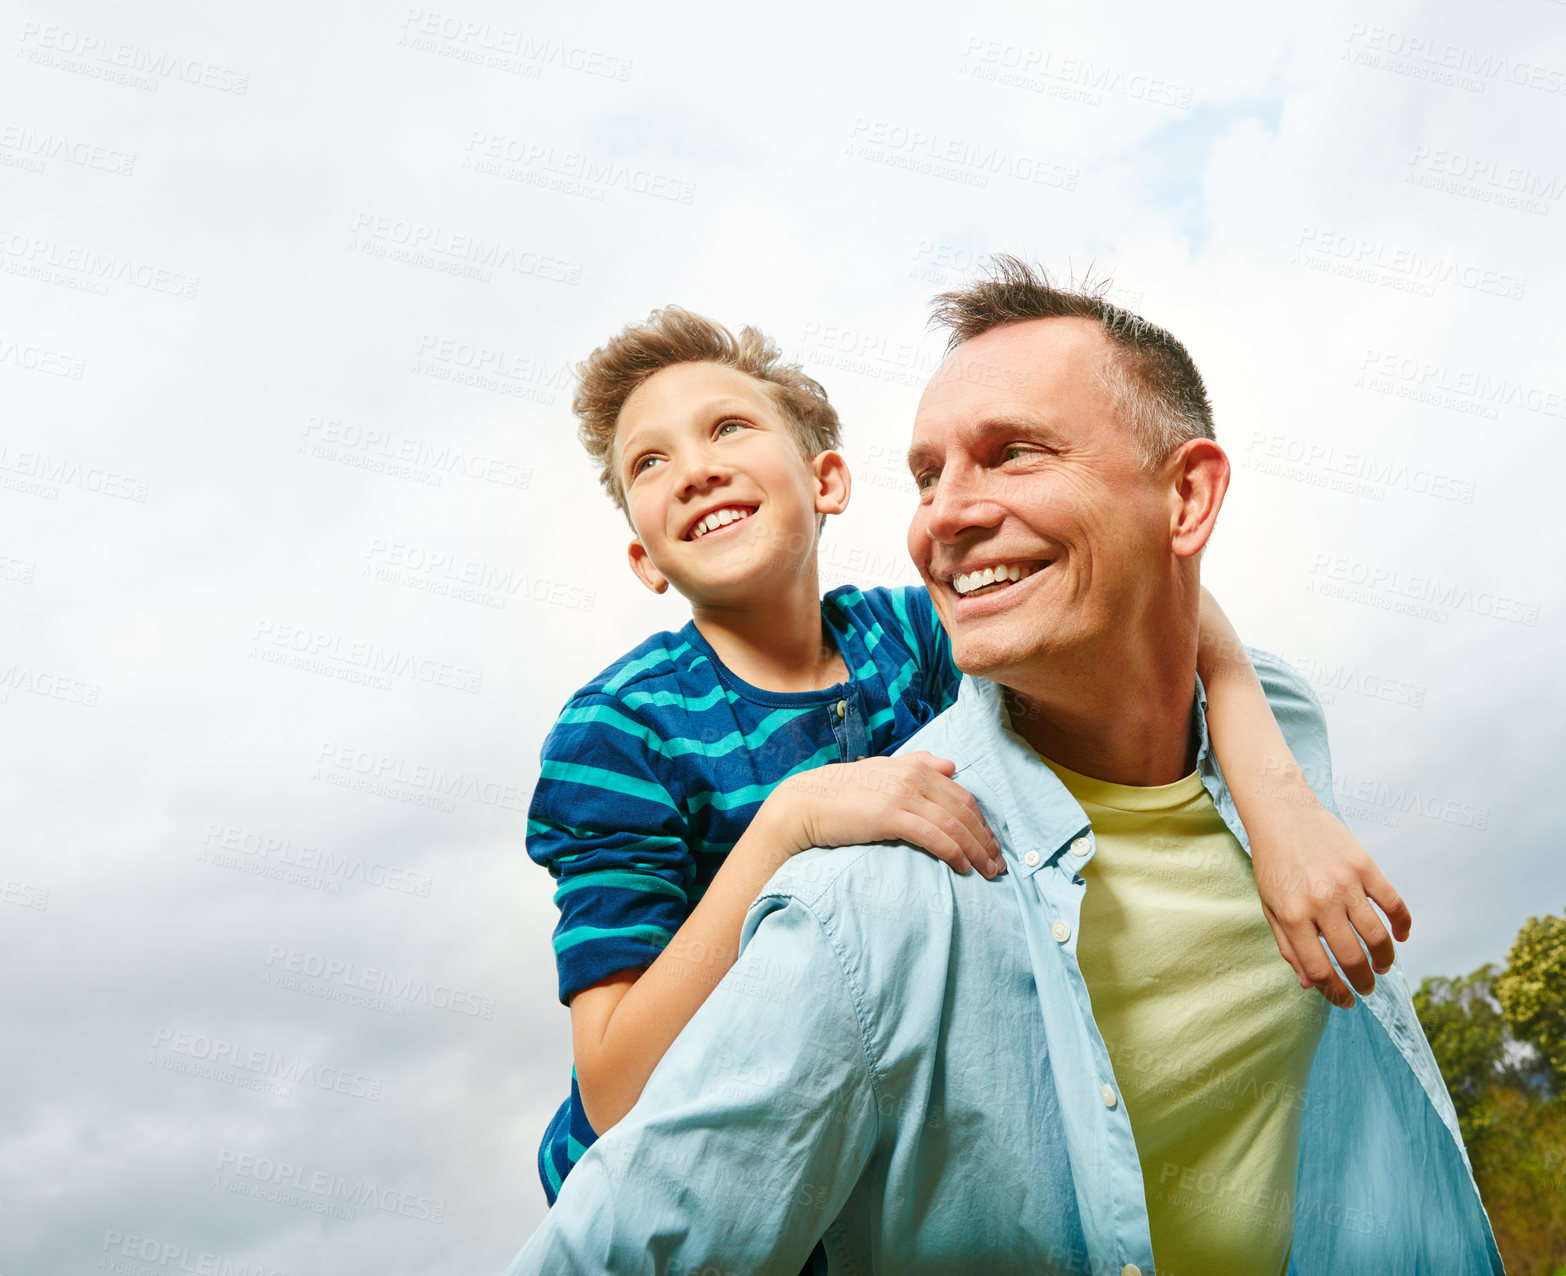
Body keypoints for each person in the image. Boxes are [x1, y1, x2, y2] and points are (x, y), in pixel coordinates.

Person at [508, 261, 1501, 1274]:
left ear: (828, 481)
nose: (694, 468)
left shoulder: (914, 630)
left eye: (728, 428)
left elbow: (1137, 595)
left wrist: (1275, 789)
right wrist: (789, 821)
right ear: (641, 557)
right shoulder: (617, 730)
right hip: (701, 1149)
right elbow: (617, 1088)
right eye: (648, 462)